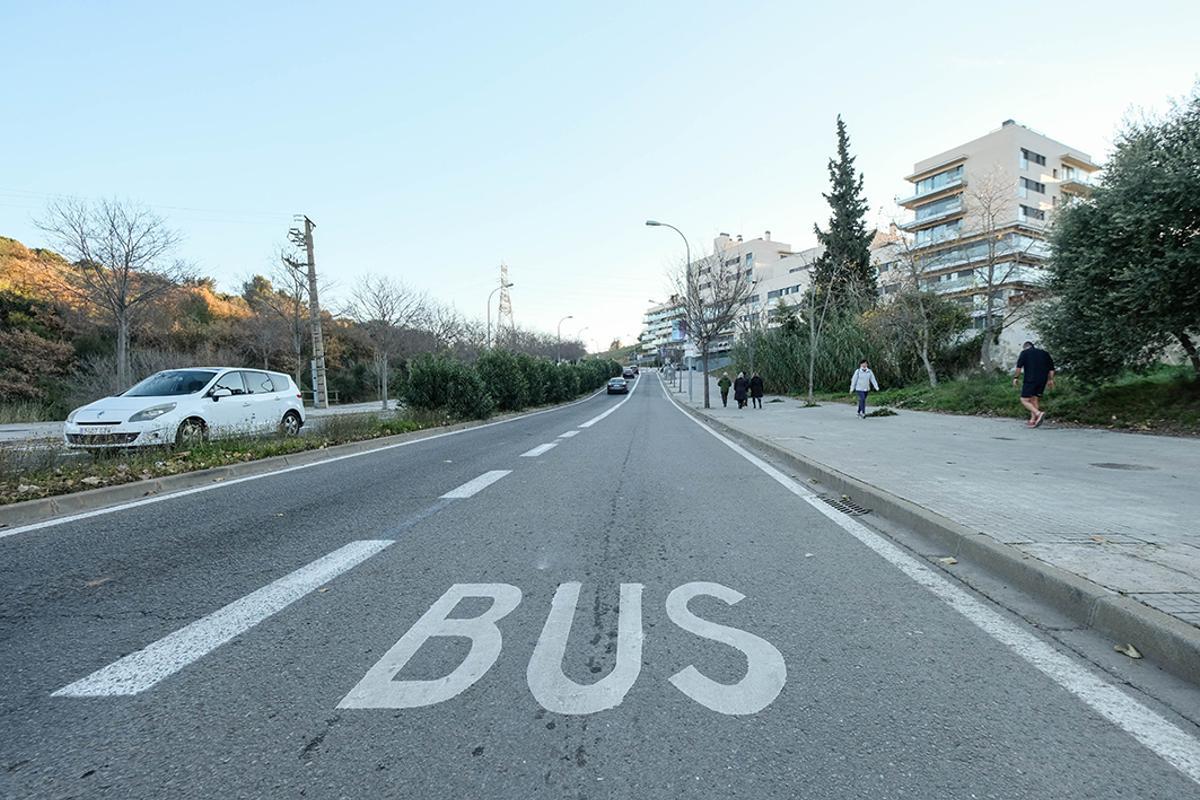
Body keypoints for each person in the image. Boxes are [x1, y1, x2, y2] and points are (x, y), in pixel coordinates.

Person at [1013, 341, 1055, 428]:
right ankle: (1033, 420)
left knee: (1024, 400)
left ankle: (1038, 413)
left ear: (1025, 347)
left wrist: (1016, 377)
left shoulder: (1024, 353)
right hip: (1042, 380)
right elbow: (1051, 369)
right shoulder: (1045, 353)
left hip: (1030, 379)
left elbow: (1019, 367)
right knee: (1034, 399)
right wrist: (1050, 380)